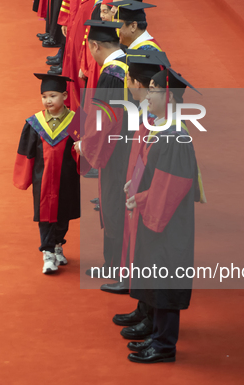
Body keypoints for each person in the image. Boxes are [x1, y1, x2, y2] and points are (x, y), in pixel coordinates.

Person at [125, 67, 206, 363]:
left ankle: (164, 345)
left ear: (169, 97)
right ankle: (156, 332)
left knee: (166, 275)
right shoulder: (162, 128)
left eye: (155, 91)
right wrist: (135, 186)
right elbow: (150, 170)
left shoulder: (176, 137)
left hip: (168, 222)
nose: (148, 95)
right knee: (154, 272)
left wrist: (141, 199)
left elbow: (170, 187)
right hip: (153, 216)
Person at [100, 50, 167, 341]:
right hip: (138, 190)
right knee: (141, 250)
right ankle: (143, 306)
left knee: (152, 253)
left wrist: (140, 192)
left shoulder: (164, 123)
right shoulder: (144, 110)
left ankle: (155, 323)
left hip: (153, 202)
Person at [75, 20, 130, 276]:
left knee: (113, 204)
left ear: (94, 45)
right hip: (133, 146)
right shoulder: (130, 62)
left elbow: (103, 120)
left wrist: (85, 146)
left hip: (116, 152)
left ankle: (114, 267)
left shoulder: (111, 74)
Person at [13, 74, 81, 274]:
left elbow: (85, 151)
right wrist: (25, 177)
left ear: (65, 96)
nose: (48, 100)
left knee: (63, 215)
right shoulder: (35, 123)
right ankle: (48, 252)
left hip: (67, 179)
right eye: (44, 96)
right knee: (44, 215)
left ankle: (58, 244)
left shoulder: (76, 121)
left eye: (53, 95)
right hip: (42, 179)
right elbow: (27, 152)